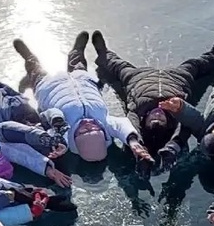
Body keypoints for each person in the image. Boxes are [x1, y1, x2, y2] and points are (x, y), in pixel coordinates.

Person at [11, 31, 148, 170]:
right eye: (95, 129)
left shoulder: (63, 130)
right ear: (103, 132)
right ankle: (77, 51)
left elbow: (49, 117)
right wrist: (133, 141)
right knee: (78, 64)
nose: (89, 125)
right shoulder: (105, 122)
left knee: (35, 71)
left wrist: (57, 127)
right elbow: (121, 125)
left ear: (74, 138)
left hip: (49, 86)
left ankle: (28, 57)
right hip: (83, 81)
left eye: (83, 132)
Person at [89, 29, 214, 169]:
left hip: (138, 77)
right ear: (168, 122)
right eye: (161, 119)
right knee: (195, 65)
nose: (157, 114)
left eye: (153, 118)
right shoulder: (176, 113)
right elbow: (184, 129)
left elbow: (132, 126)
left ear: (144, 119)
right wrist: (174, 146)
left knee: (117, 65)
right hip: (176, 78)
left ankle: (103, 53)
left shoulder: (137, 111)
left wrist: (136, 144)